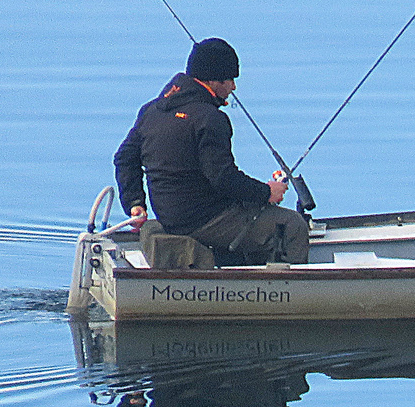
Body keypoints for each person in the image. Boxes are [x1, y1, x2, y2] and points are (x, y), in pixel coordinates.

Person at [114, 38, 311, 263]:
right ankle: (287, 291)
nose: (233, 87)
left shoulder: (152, 111)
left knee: (252, 210)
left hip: (170, 216)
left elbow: (124, 159)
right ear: (213, 80)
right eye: (230, 79)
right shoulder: (210, 119)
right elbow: (223, 178)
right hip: (204, 219)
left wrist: (134, 204)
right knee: (292, 225)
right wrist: (266, 192)